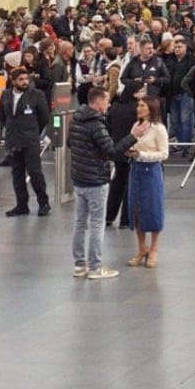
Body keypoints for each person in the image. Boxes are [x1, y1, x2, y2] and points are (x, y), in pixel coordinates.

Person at [68, 86, 142, 280]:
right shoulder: (96, 124)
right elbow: (112, 151)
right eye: (106, 100)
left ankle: (79, 265)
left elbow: (70, 143)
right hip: (95, 180)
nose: (109, 104)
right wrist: (133, 136)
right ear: (97, 101)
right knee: (96, 223)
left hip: (79, 177)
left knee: (79, 223)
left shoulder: (76, 119)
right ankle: (95, 266)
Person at [125, 96, 169, 268]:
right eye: (138, 105)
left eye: (142, 105)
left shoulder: (159, 129)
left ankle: (154, 248)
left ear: (151, 108)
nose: (139, 108)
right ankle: (141, 248)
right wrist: (130, 152)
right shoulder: (136, 126)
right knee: (136, 210)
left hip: (151, 172)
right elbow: (131, 141)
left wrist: (143, 155)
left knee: (153, 210)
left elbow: (164, 154)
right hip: (135, 171)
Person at [0, 68, 51, 217]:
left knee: (35, 172)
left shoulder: (37, 95)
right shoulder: (5, 95)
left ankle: (43, 203)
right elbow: (3, 116)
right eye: (21, 79)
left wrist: (33, 131)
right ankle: (21, 205)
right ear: (13, 80)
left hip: (30, 140)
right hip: (13, 140)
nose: (25, 82)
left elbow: (44, 117)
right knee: (17, 173)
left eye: (26, 79)